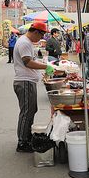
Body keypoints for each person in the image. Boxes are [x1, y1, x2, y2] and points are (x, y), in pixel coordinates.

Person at [13, 22, 54, 152]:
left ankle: (26, 136)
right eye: (41, 36)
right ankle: (22, 142)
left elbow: (31, 61)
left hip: (28, 81)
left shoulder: (27, 42)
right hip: (25, 81)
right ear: (35, 32)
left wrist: (41, 68)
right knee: (27, 112)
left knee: (31, 110)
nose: (40, 39)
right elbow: (27, 62)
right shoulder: (24, 42)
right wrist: (45, 67)